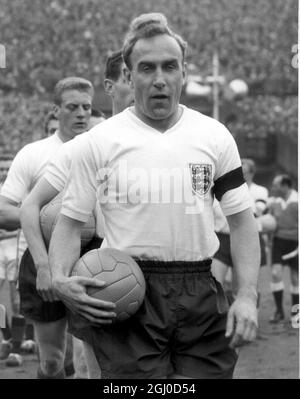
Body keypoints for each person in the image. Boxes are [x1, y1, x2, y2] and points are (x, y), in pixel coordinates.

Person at [49, 13, 260, 379]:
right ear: (129, 77)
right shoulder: (98, 143)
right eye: (146, 68)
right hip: (128, 292)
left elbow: (242, 222)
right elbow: (69, 225)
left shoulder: (215, 135)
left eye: (169, 67)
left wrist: (246, 296)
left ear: (184, 72)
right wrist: (59, 277)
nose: (159, 79)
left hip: (201, 289)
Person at [20, 50, 133, 378]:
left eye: (86, 106)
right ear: (112, 86)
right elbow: (28, 205)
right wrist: (47, 266)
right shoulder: (83, 147)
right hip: (99, 267)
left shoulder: (171, 143)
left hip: (148, 273)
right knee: (88, 366)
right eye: (132, 74)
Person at [0, 76, 94, 378]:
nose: (81, 113)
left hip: (91, 260)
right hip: (41, 259)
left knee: (85, 358)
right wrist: (49, 220)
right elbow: (3, 210)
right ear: (56, 110)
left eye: (86, 107)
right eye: (72, 107)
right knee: (52, 361)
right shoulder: (34, 153)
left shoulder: (102, 148)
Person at [0, 154, 35, 366]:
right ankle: (7, 337)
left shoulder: (21, 191)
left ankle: (16, 347)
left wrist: (6, 234)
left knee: (16, 301)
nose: (4, 172)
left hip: (15, 249)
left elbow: (25, 222)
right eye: (0, 168)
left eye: (7, 168)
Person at [268, 174, 298, 324]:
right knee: (275, 274)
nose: (273, 188)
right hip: (279, 242)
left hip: (296, 244)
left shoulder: (297, 200)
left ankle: (296, 314)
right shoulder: (274, 202)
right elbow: (267, 220)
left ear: (285, 186)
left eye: (276, 185)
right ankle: (279, 311)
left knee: (295, 279)